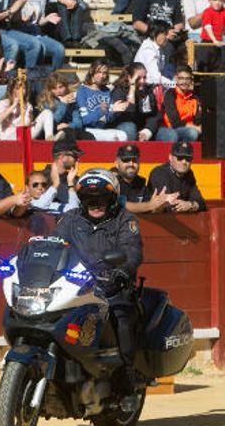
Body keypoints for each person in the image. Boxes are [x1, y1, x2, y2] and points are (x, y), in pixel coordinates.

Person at [54, 168, 144, 397]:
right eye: (89, 198)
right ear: (81, 199)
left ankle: (127, 376)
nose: (96, 203)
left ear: (113, 198)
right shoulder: (70, 219)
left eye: (102, 198)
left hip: (112, 288)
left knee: (121, 316)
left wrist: (122, 272)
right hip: (75, 287)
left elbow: (132, 251)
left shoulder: (125, 220)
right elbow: (53, 244)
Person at [14, 0, 65, 69]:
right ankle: (29, 77)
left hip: (36, 32)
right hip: (21, 31)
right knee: (36, 47)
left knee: (59, 49)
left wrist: (47, 18)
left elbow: (39, 21)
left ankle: (53, 79)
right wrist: (23, 19)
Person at [76, 59, 129, 141]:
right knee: (112, 138)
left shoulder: (106, 91)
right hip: (88, 130)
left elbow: (108, 119)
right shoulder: (82, 90)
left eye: (104, 73)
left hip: (103, 129)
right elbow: (85, 120)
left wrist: (113, 111)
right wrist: (101, 111)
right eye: (98, 72)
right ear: (91, 71)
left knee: (123, 135)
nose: (101, 76)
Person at [111, 144, 173, 214]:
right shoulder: (111, 183)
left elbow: (151, 210)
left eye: (134, 160)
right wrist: (149, 205)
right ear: (116, 163)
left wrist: (159, 207)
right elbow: (119, 206)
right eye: (126, 160)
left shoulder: (141, 185)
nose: (131, 164)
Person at [147, 140, 206, 212]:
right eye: (180, 158)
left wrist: (190, 205)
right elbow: (167, 206)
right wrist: (187, 205)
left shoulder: (189, 174)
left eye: (188, 158)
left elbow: (201, 203)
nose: (184, 162)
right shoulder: (159, 173)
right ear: (170, 157)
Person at [109, 62, 160, 142]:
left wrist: (147, 131)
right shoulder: (119, 91)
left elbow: (154, 115)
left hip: (142, 127)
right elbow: (128, 114)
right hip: (123, 124)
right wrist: (132, 88)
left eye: (144, 77)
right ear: (130, 77)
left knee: (168, 134)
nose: (142, 81)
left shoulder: (147, 91)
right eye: (138, 78)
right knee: (130, 128)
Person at [0, 75, 54, 140]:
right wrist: (13, 105)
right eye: (17, 88)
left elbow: (25, 124)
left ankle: (49, 138)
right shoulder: (4, 102)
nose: (21, 91)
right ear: (12, 89)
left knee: (47, 112)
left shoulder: (28, 105)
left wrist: (28, 120)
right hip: (9, 136)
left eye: (23, 88)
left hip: (24, 134)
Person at [158, 66, 201, 141]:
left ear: (191, 80)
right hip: (168, 129)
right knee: (191, 133)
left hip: (187, 129)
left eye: (187, 79)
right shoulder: (170, 94)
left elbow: (197, 119)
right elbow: (175, 122)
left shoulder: (194, 98)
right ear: (176, 79)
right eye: (181, 78)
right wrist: (195, 128)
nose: (184, 82)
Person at [133, 22, 174, 88]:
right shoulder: (148, 50)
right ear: (155, 34)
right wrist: (174, 85)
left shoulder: (158, 47)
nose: (167, 37)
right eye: (165, 34)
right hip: (143, 88)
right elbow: (155, 78)